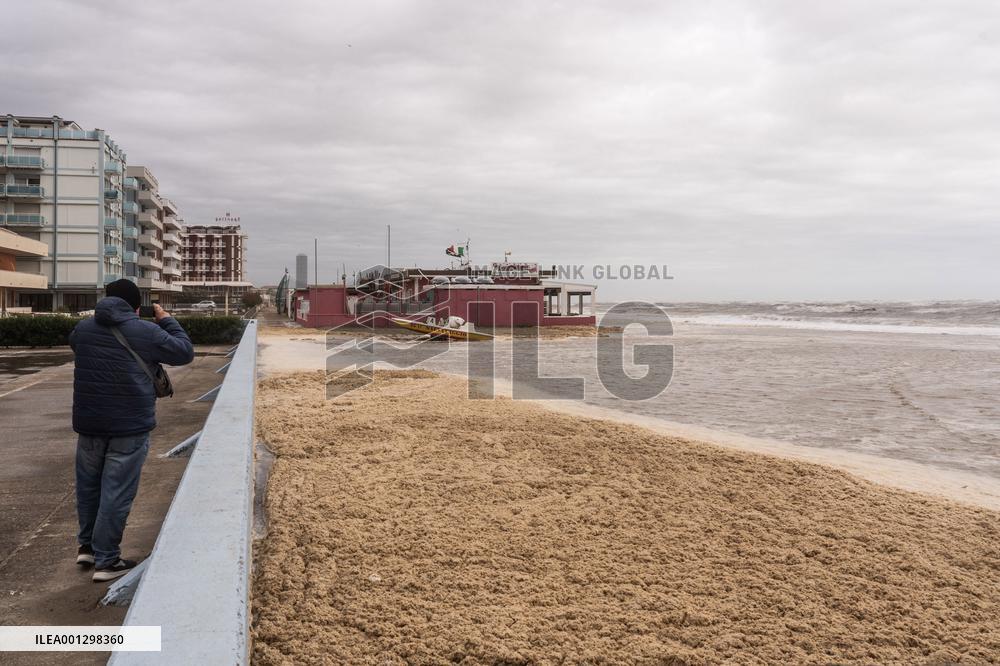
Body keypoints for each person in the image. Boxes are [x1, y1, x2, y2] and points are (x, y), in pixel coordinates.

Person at [69, 279, 194, 582]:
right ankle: (107, 560)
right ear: (137, 306)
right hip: (128, 425)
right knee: (117, 491)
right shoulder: (146, 331)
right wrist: (167, 320)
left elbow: (79, 347)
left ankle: (87, 546)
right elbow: (184, 352)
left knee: (89, 487)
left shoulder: (82, 330)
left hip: (89, 423)